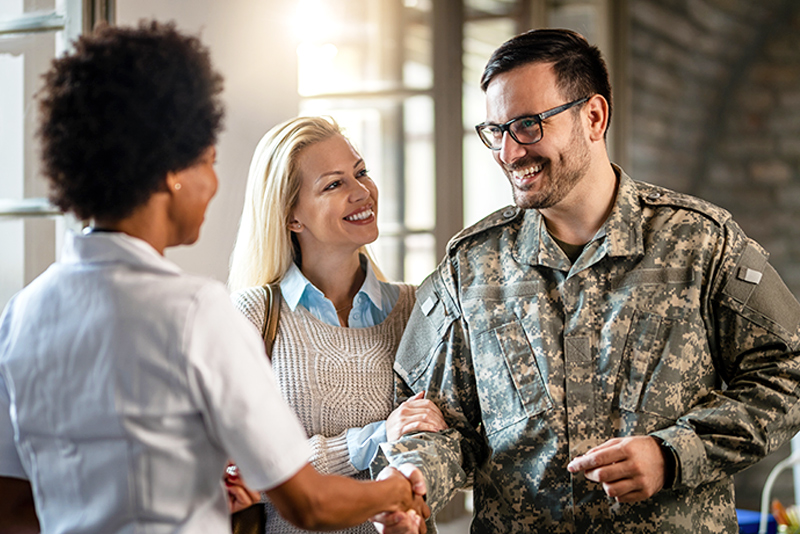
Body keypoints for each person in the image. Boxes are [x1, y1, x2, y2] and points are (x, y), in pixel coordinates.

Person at [0, 22, 429, 534]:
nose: (213, 183)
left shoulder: (22, 314)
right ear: (170, 172)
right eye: (207, 162)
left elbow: (14, 511)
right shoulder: (195, 311)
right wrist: (399, 490)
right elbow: (308, 504)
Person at [373, 28, 800, 534]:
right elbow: (439, 424)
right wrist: (412, 484)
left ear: (593, 117)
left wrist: (674, 454)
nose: (509, 153)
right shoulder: (470, 266)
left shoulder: (701, 243)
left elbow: (788, 373)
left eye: (528, 125)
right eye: (496, 131)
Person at [225, 115, 447, 534]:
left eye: (360, 172)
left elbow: (445, 446)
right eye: (334, 184)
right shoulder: (252, 315)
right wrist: (377, 437)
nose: (362, 192)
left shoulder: (418, 307)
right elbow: (245, 470)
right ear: (292, 217)